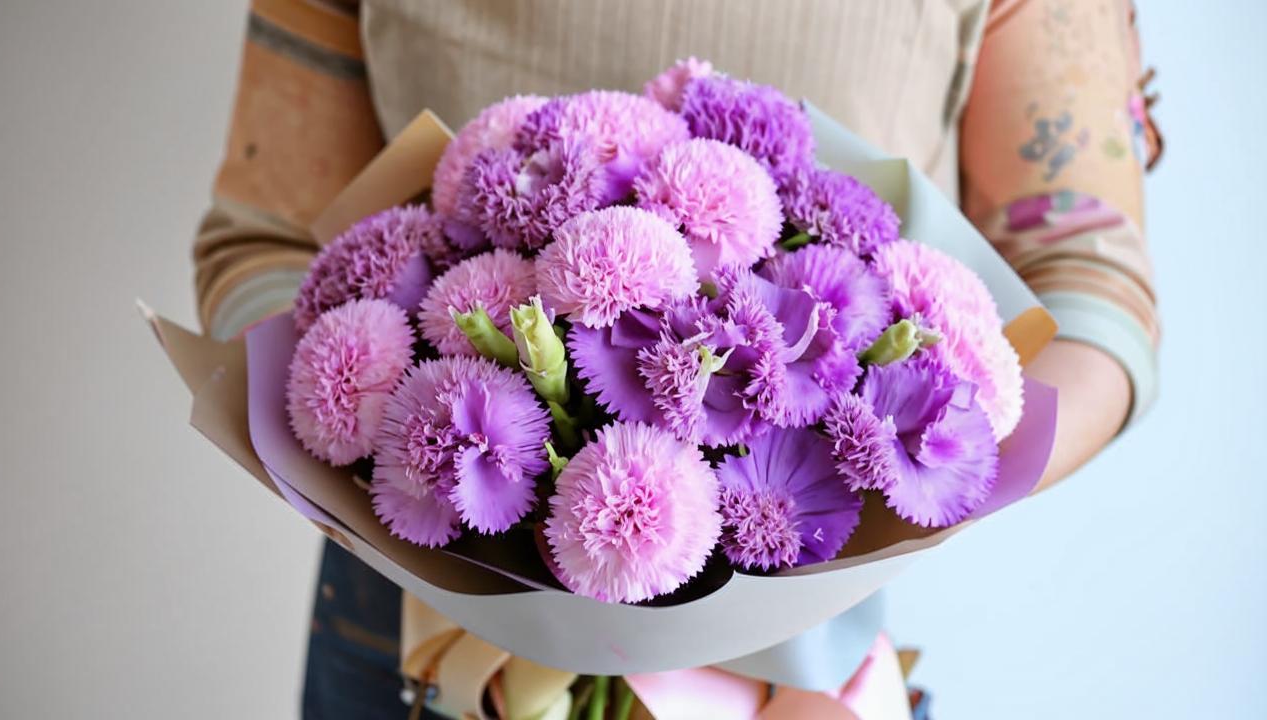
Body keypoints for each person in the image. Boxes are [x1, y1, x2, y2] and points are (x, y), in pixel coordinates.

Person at [193, 1, 1161, 717]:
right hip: (424, 626)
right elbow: (267, 241)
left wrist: (933, 461)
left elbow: (1087, 283)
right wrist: (389, 433)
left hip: (808, 666)